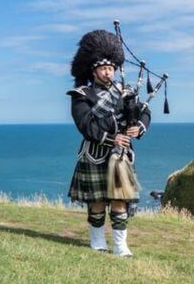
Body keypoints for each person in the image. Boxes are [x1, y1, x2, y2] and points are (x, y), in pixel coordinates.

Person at [66, 30, 151, 257]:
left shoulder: (125, 92)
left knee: (119, 200)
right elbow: (85, 124)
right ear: (93, 70)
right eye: (103, 68)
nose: (108, 72)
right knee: (96, 202)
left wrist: (138, 126)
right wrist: (113, 136)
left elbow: (144, 112)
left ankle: (121, 246)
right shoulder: (81, 94)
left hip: (121, 155)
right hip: (94, 154)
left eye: (111, 68)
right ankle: (97, 242)